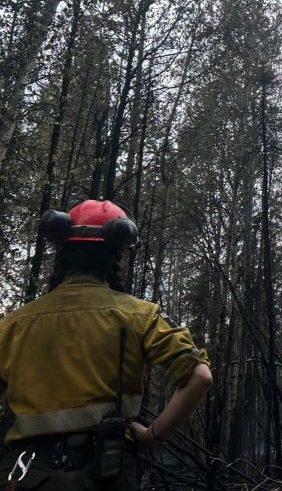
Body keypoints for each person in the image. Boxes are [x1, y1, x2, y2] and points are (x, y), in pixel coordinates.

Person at [0, 200, 212, 489]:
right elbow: (199, 376)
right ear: (120, 252)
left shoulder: (13, 323)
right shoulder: (140, 314)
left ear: (63, 248)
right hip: (104, 471)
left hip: (24, 472)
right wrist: (152, 436)